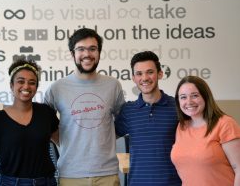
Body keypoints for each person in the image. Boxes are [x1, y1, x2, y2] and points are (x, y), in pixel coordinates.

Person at [44, 28, 125, 186]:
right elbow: (44, 123)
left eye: (92, 49)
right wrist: (64, 140)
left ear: (99, 52)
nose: (87, 54)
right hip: (71, 174)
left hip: (107, 174)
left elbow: (122, 122)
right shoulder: (57, 88)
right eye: (81, 49)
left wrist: (103, 138)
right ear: (72, 53)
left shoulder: (113, 85)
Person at [115, 51, 181, 186]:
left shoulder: (178, 107)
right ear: (133, 78)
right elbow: (108, 138)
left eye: (150, 72)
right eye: (139, 74)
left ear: (160, 74)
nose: (144, 78)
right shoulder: (128, 111)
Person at [0, 58, 59, 186]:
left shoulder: (46, 112)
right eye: (20, 81)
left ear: (36, 87)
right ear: (12, 85)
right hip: (10, 182)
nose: (26, 86)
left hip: (45, 182)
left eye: (32, 82)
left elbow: (61, 141)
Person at [171, 75, 240, 186]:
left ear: (206, 97)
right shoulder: (181, 127)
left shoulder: (225, 124)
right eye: (183, 97)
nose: (189, 101)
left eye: (195, 96)